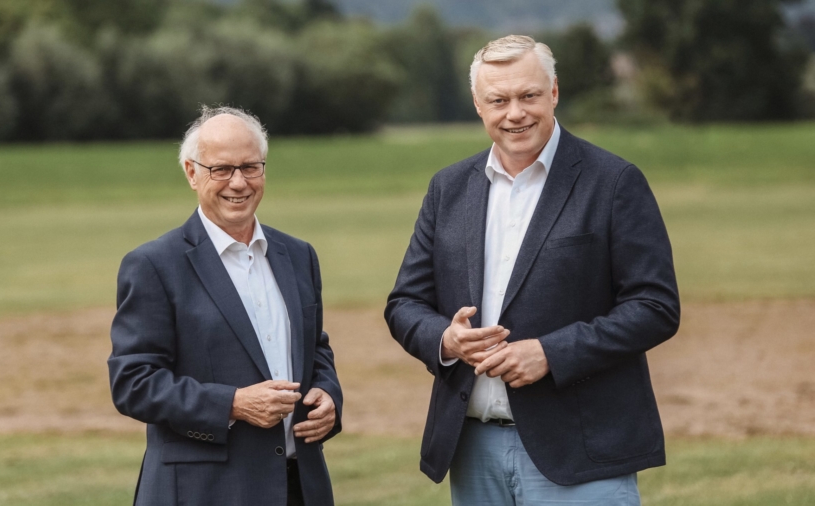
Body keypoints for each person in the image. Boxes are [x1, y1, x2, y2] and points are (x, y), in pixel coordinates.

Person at [385, 35, 680, 505]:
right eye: (498, 100)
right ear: (479, 106)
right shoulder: (448, 188)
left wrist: (550, 353)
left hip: (582, 451)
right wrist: (446, 339)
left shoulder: (614, 182)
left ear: (554, 92)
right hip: (472, 449)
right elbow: (405, 303)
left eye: (529, 96)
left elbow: (655, 307)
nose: (515, 113)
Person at [108, 106, 342, 506]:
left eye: (251, 167)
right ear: (191, 172)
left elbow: (313, 346)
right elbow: (133, 383)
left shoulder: (299, 255)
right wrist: (233, 404)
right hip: (206, 492)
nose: (238, 182)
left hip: (299, 487)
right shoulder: (153, 265)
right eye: (221, 169)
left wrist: (327, 393)